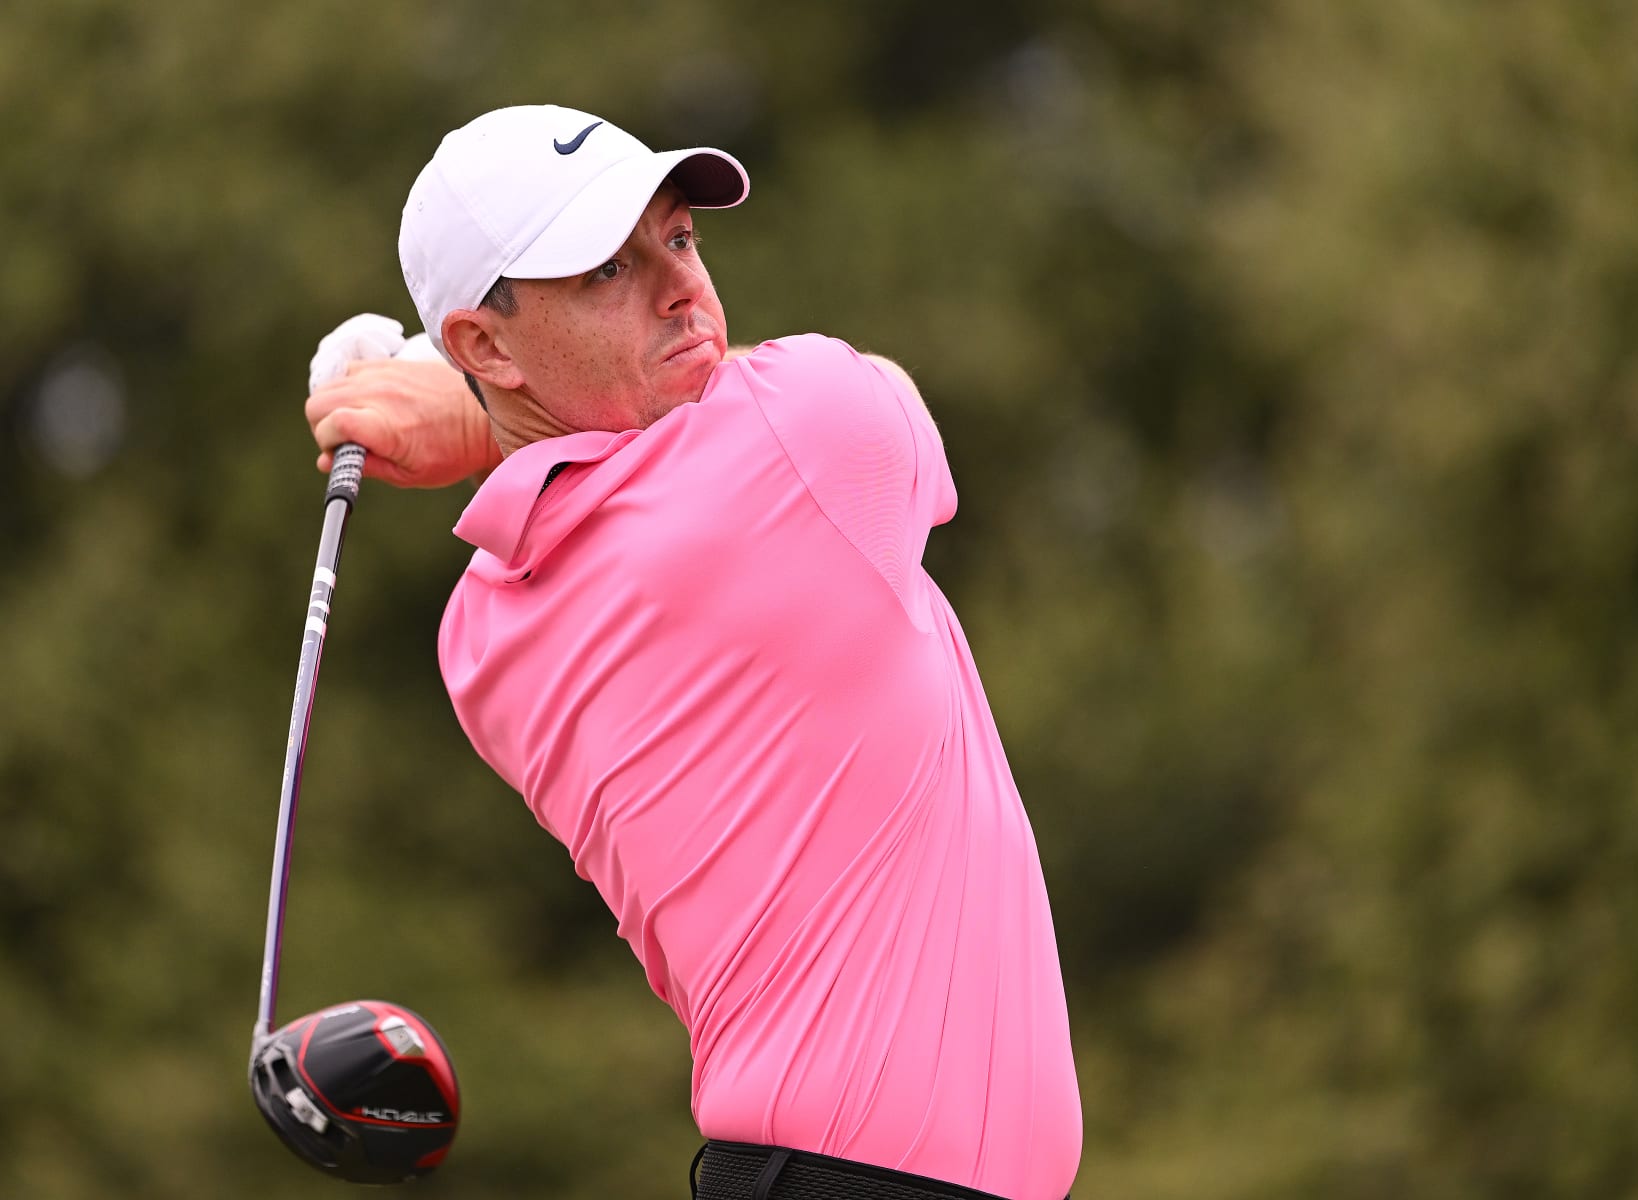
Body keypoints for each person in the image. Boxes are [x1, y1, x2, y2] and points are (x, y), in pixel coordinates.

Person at [305, 105, 1081, 1200]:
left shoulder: (479, 634)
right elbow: (873, 406)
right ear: (482, 343)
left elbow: (595, 476)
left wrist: (489, 419)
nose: (679, 289)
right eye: (605, 272)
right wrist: (475, 423)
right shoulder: (804, 432)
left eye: (677, 238)